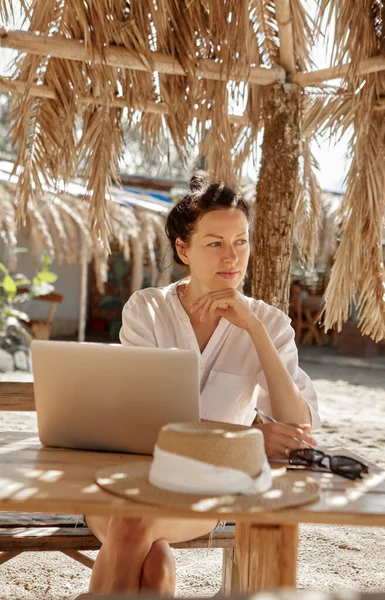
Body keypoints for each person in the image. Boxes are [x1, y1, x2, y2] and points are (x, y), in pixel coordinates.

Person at [84, 171, 320, 595]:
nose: (232, 257)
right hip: (126, 480)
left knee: (134, 527)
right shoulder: (147, 311)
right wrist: (246, 437)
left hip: (205, 490)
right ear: (183, 248)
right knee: (153, 566)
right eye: (215, 243)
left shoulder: (270, 323)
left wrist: (255, 331)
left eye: (241, 241)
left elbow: (297, 425)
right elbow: (140, 420)